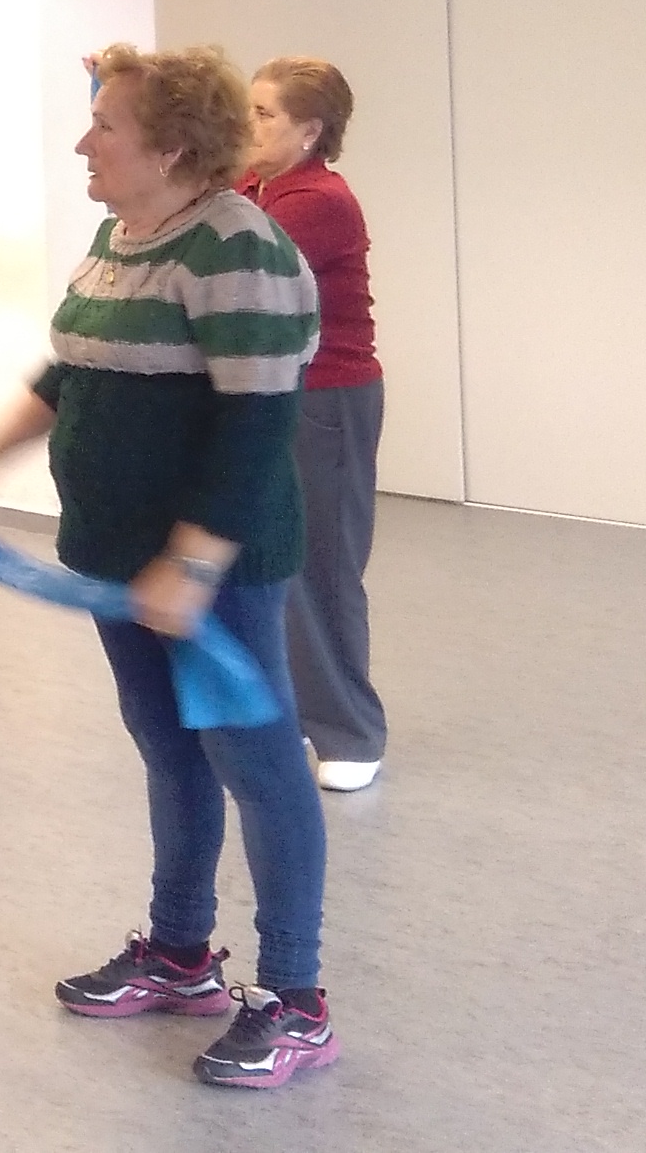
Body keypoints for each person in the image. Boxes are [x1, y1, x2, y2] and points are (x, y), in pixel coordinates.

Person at [0, 43, 337, 1091]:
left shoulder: (240, 248)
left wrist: (192, 564)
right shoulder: (122, 235)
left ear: (173, 148)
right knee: (167, 748)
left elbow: (257, 425)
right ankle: (182, 953)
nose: (82, 141)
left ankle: (296, 1001)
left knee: (258, 765)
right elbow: (73, 368)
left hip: (213, 574)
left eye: (104, 125)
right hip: (119, 560)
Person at [244, 58, 387, 794]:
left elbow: (240, 271)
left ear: (310, 131)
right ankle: (298, 708)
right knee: (274, 560)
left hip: (327, 398)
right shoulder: (254, 186)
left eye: (264, 114)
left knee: (324, 567)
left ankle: (351, 731)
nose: (247, 124)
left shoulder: (319, 201)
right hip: (275, 393)